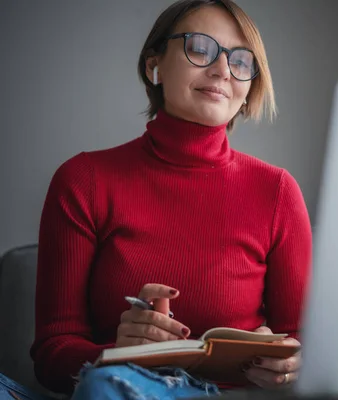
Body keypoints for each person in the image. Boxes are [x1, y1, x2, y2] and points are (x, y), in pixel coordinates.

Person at [0, 0, 312, 398]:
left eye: (241, 61)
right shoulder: (82, 180)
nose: (221, 70)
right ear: (154, 66)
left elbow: (303, 345)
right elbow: (51, 354)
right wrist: (119, 353)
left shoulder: (278, 192)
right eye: (199, 48)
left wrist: (287, 365)